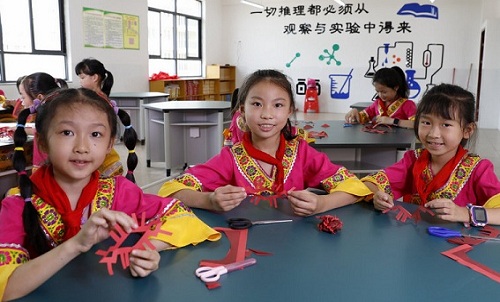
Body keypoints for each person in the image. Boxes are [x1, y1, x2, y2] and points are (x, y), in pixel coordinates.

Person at [0, 88, 220, 300]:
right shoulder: (18, 204)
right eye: (67, 132)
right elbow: (6, 287)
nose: (82, 147)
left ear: (109, 144)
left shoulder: (119, 191)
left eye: (95, 134)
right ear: (43, 142)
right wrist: (76, 244)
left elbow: (177, 212)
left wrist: (146, 250)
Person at [158, 69, 372, 216]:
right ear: (242, 109)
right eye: (257, 104)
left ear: (290, 111)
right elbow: (171, 189)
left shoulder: (302, 153)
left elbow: (354, 187)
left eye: (278, 105)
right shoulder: (230, 159)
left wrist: (322, 204)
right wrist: (209, 200)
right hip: (244, 246)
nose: (267, 114)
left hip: (296, 245)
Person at [362, 83, 500, 225]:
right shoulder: (413, 160)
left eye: (446, 125)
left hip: (458, 245)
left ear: (467, 130)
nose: (433, 134)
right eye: (426, 122)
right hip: (415, 242)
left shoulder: (478, 169)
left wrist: (465, 213)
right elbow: (369, 183)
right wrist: (377, 196)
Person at [75, 58, 122, 177]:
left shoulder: (97, 100)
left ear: (94, 78)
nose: (80, 81)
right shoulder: (96, 97)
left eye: (82, 78)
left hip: (99, 147)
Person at [19, 72, 68, 168]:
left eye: (23, 96)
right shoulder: (55, 113)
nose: (21, 100)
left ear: (40, 98)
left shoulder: (51, 117)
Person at [344, 66, 416, 129]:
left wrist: (393, 121)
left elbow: (416, 124)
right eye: (377, 91)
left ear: (396, 87)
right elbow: (363, 117)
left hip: (400, 143)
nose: (380, 95)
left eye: (384, 92)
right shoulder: (377, 103)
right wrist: (355, 112)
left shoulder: (408, 104)